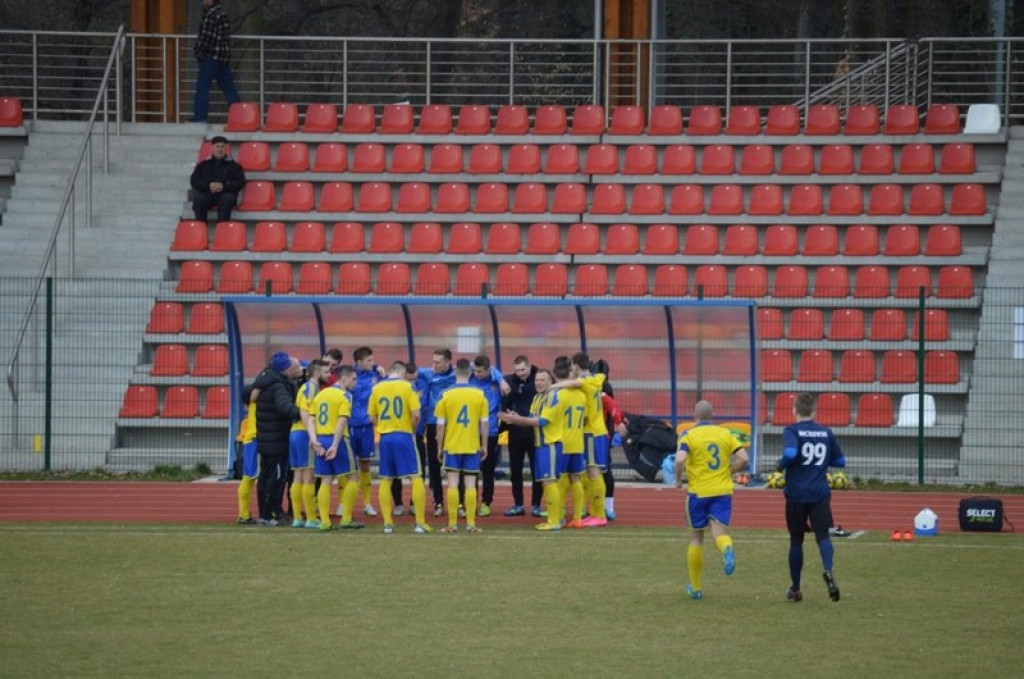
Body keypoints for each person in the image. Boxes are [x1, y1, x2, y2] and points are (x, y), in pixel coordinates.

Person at [420, 348, 509, 516]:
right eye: (434, 362)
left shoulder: (476, 380)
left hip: (474, 430)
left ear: (449, 363)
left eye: (438, 362)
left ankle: (476, 505)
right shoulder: (433, 375)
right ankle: (443, 504)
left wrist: (501, 379)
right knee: (456, 472)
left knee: (477, 472)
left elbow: (490, 368)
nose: (434, 365)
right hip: (458, 428)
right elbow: (410, 371)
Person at [675, 400, 749, 600]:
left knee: (696, 538)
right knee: (719, 533)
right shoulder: (725, 434)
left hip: (698, 493)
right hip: (722, 491)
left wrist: (677, 480)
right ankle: (726, 548)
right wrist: (729, 471)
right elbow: (743, 458)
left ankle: (696, 588)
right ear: (713, 415)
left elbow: (680, 459)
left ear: (694, 415)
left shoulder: (688, 435)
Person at [777, 392, 846, 603]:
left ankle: (796, 589)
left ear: (794, 410)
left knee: (796, 541)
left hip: (796, 494)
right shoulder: (826, 432)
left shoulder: (792, 430)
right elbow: (841, 461)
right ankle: (828, 571)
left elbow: (789, 454)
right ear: (813, 411)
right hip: (819, 493)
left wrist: (780, 466)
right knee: (823, 536)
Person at [369, 361, 431, 534]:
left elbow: (372, 416)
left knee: (386, 478)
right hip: (404, 435)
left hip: (385, 437)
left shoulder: (377, 388)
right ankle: (420, 522)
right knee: (415, 476)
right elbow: (417, 415)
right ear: (403, 373)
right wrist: (410, 429)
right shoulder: (407, 387)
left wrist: (382, 427)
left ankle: (388, 523)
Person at [499, 369, 563, 531]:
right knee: (546, 483)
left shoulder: (553, 397)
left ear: (551, 382)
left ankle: (555, 520)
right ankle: (555, 517)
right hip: (540, 446)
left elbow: (541, 422)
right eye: (537, 380)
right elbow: (530, 419)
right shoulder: (537, 398)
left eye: (543, 380)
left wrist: (517, 419)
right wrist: (514, 418)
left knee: (550, 482)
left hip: (550, 445)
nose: (539, 383)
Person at [552, 352, 611, 527]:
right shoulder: (598, 377)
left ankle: (599, 514)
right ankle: (593, 512)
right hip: (593, 431)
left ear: (576, 366)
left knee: (593, 471)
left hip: (592, 431)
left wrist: (552, 387)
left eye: (572, 367)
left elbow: (576, 383)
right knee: (588, 472)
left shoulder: (586, 381)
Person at [435, 359, 490, 533]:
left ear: (455, 372)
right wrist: (484, 445)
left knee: (452, 484)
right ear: (471, 373)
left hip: (452, 445)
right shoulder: (480, 394)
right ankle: (471, 524)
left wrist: (439, 447)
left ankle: (452, 524)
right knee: (471, 484)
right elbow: (485, 424)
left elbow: (440, 425)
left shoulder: (445, 395)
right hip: (472, 445)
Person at [308, 365, 363, 531]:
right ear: (344, 379)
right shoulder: (345, 395)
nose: (355, 382)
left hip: (320, 439)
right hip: (338, 440)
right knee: (353, 477)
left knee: (325, 479)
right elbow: (341, 421)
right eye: (353, 379)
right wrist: (335, 444)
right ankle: (346, 518)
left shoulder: (321, 394)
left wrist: (314, 440)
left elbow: (311, 419)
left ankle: (325, 522)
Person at [253, 352, 302, 525]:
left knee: (265, 476)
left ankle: (265, 513)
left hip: (266, 439)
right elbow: (284, 407)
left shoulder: (266, 381)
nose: (300, 370)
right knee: (276, 477)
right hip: (277, 440)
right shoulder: (279, 386)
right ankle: (269, 514)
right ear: (287, 369)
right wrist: (303, 413)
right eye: (296, 368)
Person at [502, 355, 542, 517]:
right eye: (517, 370)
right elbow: (503, 405)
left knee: (536, 470)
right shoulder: (509, 381)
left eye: (523, 370)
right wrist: (507, 413)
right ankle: (518, 504)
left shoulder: (540, 378)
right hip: (516, 432)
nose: (520, 373)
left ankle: (536, 505)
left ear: (529, 366)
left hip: (535, 432)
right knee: (515, 470)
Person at [288, 360, 327, 528]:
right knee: (308, 477)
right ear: (317, 373)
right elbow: (305, 412)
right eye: (326, 371)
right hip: (304, 434)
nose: (329, 375)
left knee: (298, 476)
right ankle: (310, 518)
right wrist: (312, 436)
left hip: (295, 433)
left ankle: (298, 518)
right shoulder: (311, 388)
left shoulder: (305, 387)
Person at [349, 346, 385, 517]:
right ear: (359, 362)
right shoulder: (349, 376)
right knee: (348, 466)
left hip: (366, 426)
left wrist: (378, 369)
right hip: (349, 425)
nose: (372, 363)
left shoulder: (375, 376)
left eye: (372, 360)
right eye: (368, 361)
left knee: (365, 463)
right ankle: (343, 503)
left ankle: (367, 503)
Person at [552, 361, 587, 528]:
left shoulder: (558, 395)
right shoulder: (581, 395)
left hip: (562, 442)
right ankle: (578, 517)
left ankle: (559, 516)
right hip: (577, 442)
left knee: (559, 480)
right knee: (576, 478)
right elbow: (585, 417)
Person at [191, 0, 240, 122]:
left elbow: (206, 38)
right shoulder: (221, 13)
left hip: (211, 56)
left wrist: (198, 52)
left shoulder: (210, 15)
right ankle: (240, 116)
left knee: (202, 87)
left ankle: (200, 117)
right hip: (222, 56)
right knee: (229, 88)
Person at [390, 362, 429, 516]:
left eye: (415, 379)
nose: (413, 382)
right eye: (409, 379)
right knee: (394, 472)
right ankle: (398, 503)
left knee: (418, 472)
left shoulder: (423, 385)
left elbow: (420, 407)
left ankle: (414, 503)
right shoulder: (397, 387)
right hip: (400, 433)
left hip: (417, 435)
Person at [469, 355, 502, 518]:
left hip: (491, 431)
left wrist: (498, 376)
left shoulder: (496, 382)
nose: (477, 374)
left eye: (480, 371)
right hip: (471, 431)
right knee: (470, 469)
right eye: (475, 370)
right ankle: (470, 501)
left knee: (488, 470)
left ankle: (486, 503)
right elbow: (461, 366)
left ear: (488, 370)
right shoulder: (470, 378)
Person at [190, 135, 245, 222]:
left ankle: (222, 230)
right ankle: (201, 230)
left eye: (222, 147)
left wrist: (223, 187)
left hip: (226, 194)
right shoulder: (203, 165)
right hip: (208, 193)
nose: (220, 149)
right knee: (199, 199)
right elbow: (194, 181)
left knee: (227, 199)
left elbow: (240, 182)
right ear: (212, 148)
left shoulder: (235, 166)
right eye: (217, 146)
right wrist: (208, 186)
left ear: (226, 148)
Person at [235, 384, 259, 524]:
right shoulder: (255, 405)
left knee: (248, 478)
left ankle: (244, 514)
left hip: (250, 441)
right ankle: (243, 515)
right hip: (254, 440)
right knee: (249, 478)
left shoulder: (251, 406)